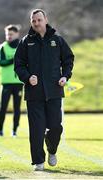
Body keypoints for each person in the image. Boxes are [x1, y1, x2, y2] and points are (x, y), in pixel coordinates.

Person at [14, 9, 74, 170]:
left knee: (55, 127)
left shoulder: (58, 40)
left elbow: (68, 60)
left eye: (39, 20)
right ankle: (38, 162)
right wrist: (27, 77)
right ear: (31, 22)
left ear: (46, 20)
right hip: (34, 94)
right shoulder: (26, 42)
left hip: (54, 92)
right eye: (33, 21)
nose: (36, 23)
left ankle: (52, 149)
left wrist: (65, 76)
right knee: (36, 130)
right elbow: (18, 65)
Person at [0, 24, 23, 137]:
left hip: (18, 83)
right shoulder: (3, 47)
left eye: (11, 34)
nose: (9, 36)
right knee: (3, 107)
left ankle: (14, 131)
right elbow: (1, 62)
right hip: (6, 83)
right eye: (7, 34)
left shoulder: (22, 47)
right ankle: (0, 130)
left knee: (17, 108)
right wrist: (13, 59)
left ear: (17, 34)